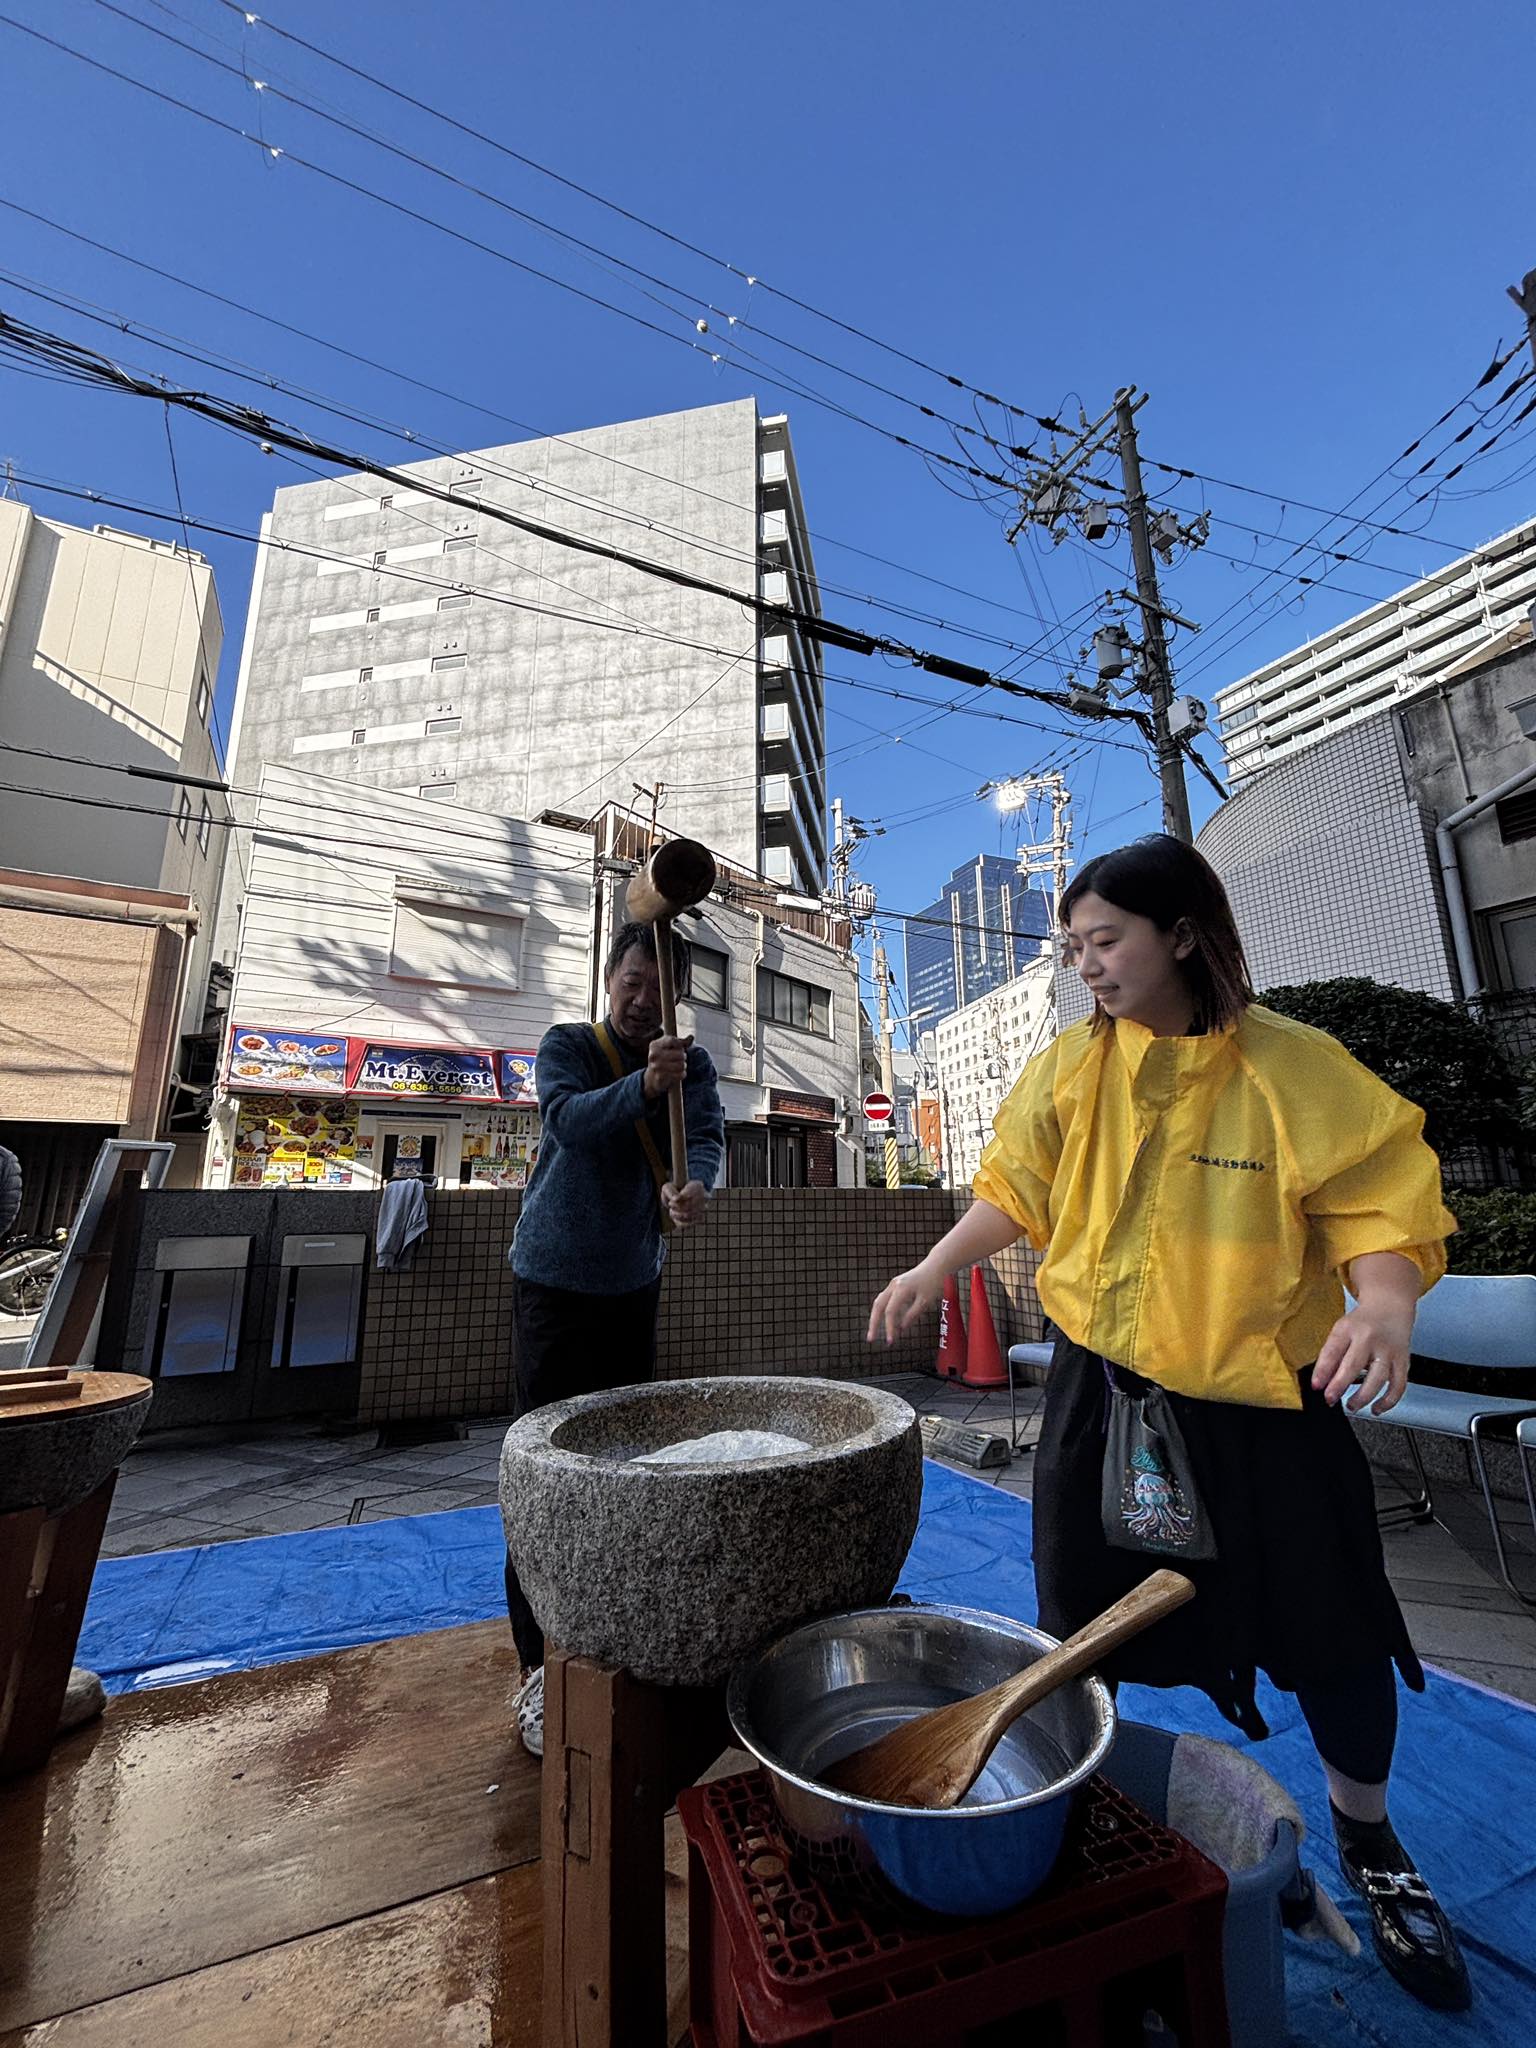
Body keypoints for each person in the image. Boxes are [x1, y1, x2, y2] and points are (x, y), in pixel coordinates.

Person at [869, 835, 1470, 2011]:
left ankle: (1372, 1843)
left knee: (1335, 1623)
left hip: (1264, 1408)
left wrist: (1388, 1298)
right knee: (1082, 1623)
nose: (1086, 964)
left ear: (1182, 934)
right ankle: (1087, 1815)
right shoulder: (1067, 1071)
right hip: (1108, 1400)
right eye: (1073, 946)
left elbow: (1376, 1199)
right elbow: (1014, 1190)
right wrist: (938, 1266)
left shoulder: (1294, 1066)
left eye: (1106, 940)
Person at [504, 920, 725, 1757]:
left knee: (625, 1468)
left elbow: (702, 1137)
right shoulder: (568, 1044)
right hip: (553, 1286)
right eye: (631, 983)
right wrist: (641, 1089)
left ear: (682, 997)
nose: (642, 1001)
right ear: (609, 982)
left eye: (659, 989)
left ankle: (619, 1644)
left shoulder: (691, 1065)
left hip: (635, 1282)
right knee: (542, 1473)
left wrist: (696, 1184)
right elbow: (567, 1122)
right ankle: (537, 1668)